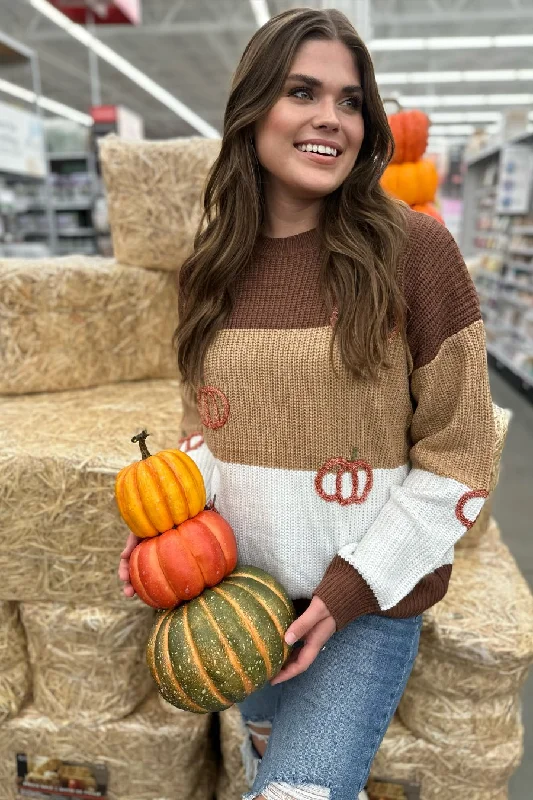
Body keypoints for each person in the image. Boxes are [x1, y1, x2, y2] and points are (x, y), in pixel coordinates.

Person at [118, 7, 495, 800]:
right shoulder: (208, 269)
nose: (331, 117)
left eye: (351, 100)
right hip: (242, 599)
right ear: (253, 109)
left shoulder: (414, 251)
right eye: (301, 92)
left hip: (362, 603)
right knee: (265, 764)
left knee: (296, 792)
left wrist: (346, 593)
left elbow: (461, 453)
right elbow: (206, 434)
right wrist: (168, 532)